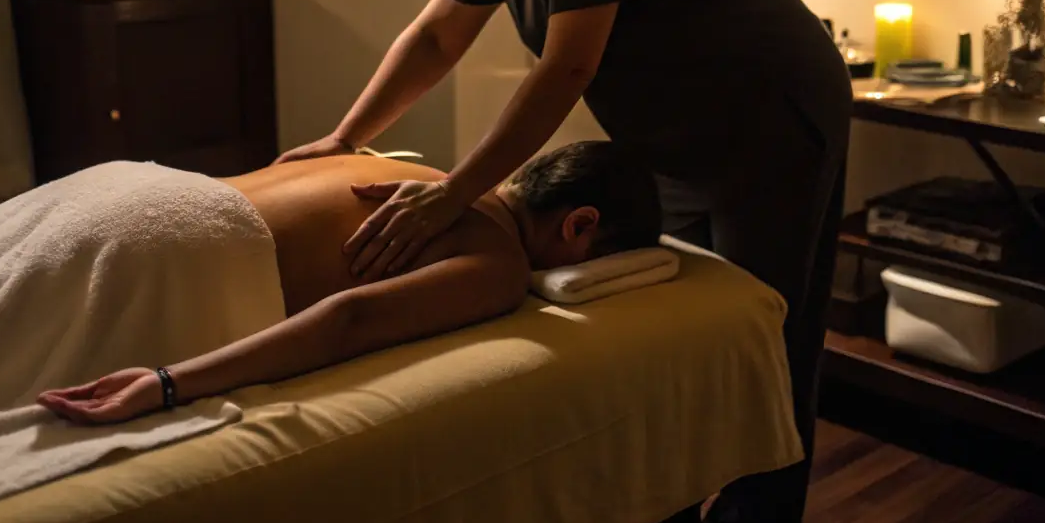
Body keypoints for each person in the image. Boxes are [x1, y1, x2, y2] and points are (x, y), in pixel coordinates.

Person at [274, 0, 852, 523]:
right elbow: (438, 36)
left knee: (761, 336)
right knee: (676, 335)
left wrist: (452, 195)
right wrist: (342, 137)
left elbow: (565, 69)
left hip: (769, 119)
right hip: (670, 137)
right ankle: (673, 511)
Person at [38, 141, 660, 424]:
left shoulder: (405, 165)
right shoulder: (500, 265)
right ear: (580, 227)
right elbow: (347, 320)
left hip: (129, 187)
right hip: (171, 251)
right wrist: (168, 383)